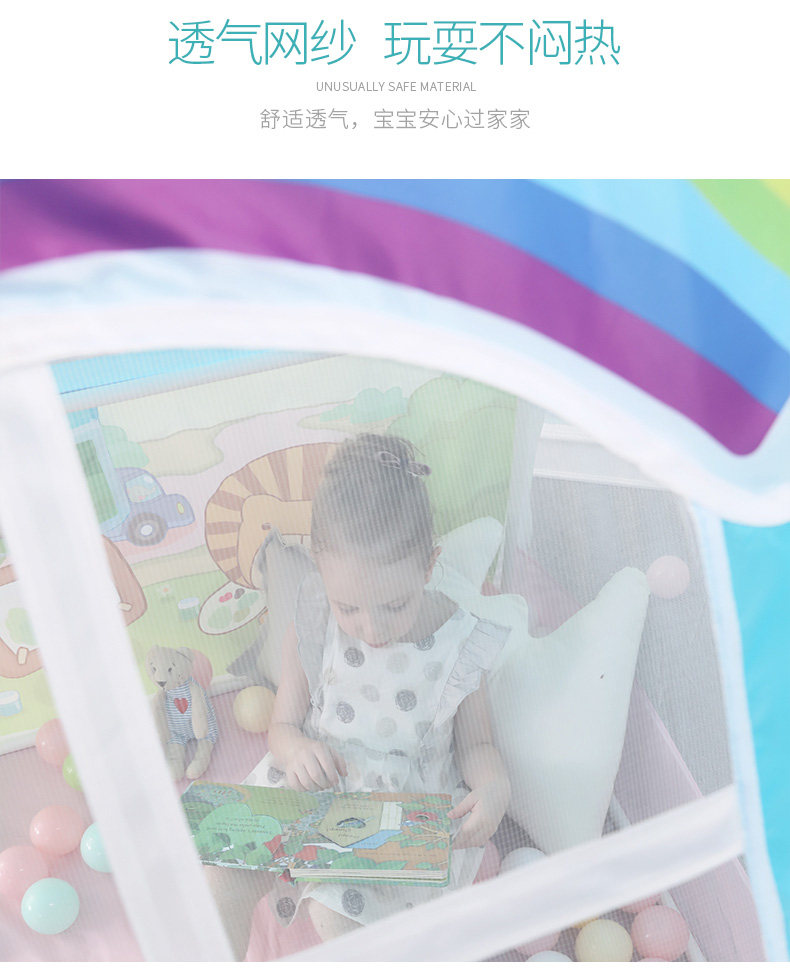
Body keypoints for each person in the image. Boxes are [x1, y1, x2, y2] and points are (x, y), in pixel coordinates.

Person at [212, 433, 511, 958]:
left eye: (395, 606)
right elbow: (283, 726)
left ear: (429, 566)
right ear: (320, 570)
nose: (372, 629)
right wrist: (296, 751)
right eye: (349, 607)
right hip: (314, 785)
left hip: (395, 806)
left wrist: (494, 789)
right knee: (220, 873)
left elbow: (478, 746)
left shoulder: (460, 643)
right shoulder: (313, 622)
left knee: (336, 909)